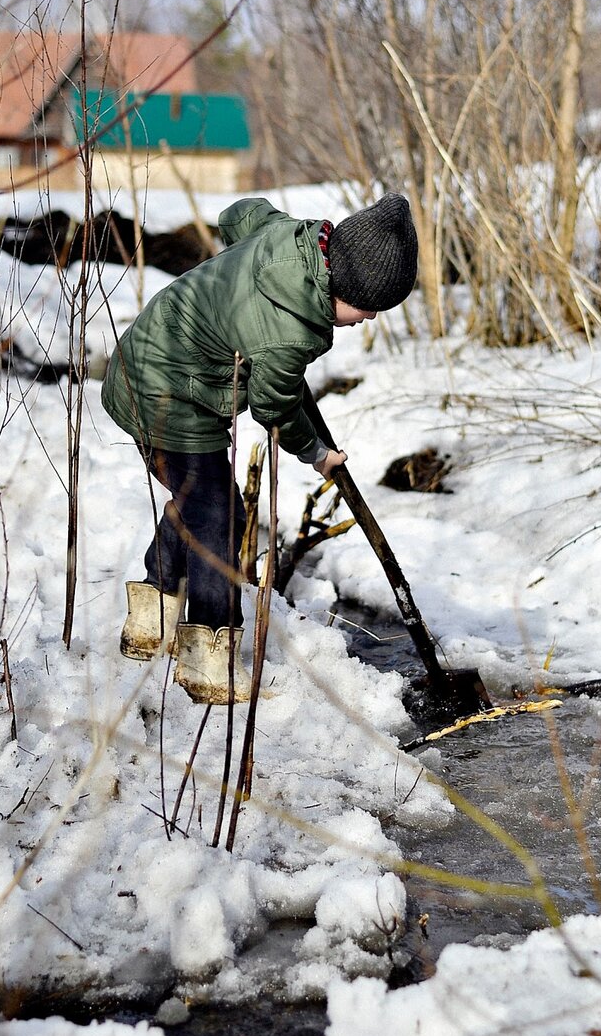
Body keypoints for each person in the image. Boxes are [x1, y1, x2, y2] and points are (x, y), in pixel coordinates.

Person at [101, 193, 418, 704]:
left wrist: (236, 289)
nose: (371, 318)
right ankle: (208, 660)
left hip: (148, 360)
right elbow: (274, 407)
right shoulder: (288, 333)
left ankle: (150, 619)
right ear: (342, 285)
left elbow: (240, 214)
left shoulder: (293, 238)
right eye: (369, 306)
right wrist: (315, 452)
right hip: (167, 395)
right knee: (218, 520)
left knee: (199, 500)